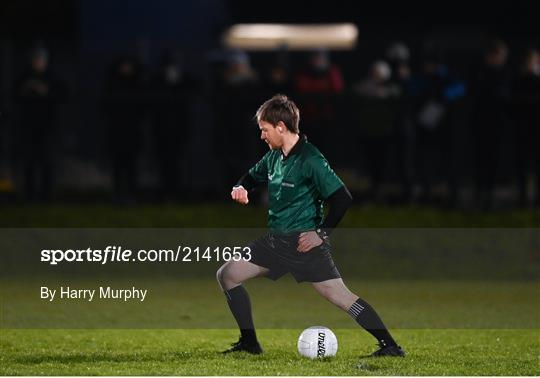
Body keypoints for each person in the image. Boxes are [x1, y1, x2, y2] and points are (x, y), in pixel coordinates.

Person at [216, 94, 405, 358]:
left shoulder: (311, 159)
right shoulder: (274, 157)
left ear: (281, 127)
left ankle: (390, 346)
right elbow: (250, 176)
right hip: (274, 243)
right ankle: (249, 343)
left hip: (304, 247)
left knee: (341, 297)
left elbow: (342, 198)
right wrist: (240, 187)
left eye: (264, 130)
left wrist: (321, 234)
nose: (262, 136)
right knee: (227, 274)